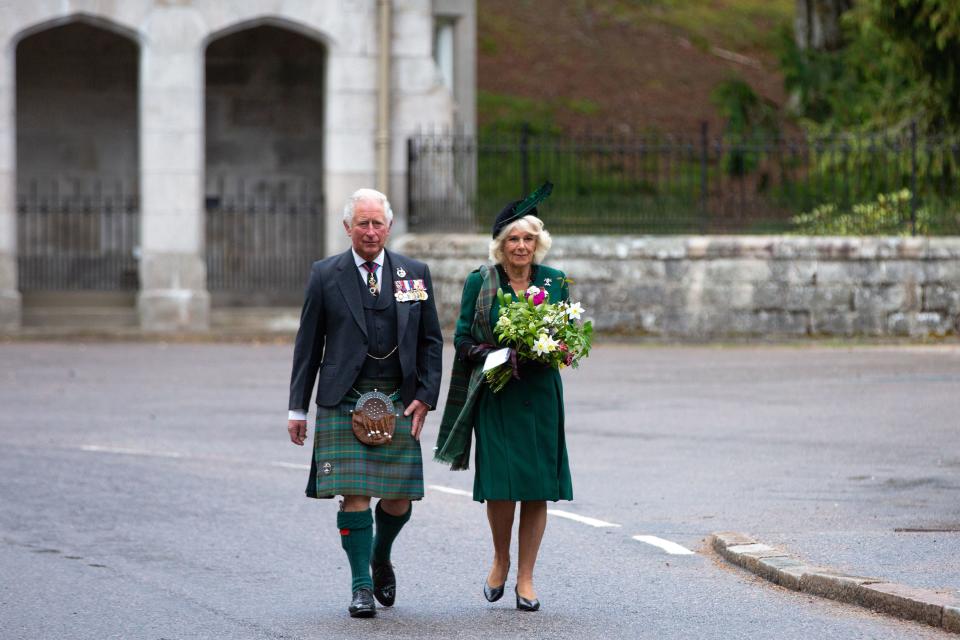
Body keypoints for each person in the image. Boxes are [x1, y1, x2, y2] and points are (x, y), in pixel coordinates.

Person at [287, 187, 443, 618]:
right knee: (354, 494)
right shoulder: (325, 274)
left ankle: (380, 555)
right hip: (343, 397)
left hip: (397, 397)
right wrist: (297, 408)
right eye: (362, 223)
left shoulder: (414, 273)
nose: (370, 232)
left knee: (398, 499)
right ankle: (360, 587)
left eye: (377, 223)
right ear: (347, 228)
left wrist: (425, 398)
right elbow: (307, 345)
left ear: (389, 227)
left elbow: (431, 341)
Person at [434, 182, 573, 612]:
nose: (521, 246)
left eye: (528, 238)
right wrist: (500, 353)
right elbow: (460, 339)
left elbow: (566, 336)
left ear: (539, 243)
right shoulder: (481, 282)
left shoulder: (554, 283)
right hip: (496, 394)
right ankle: (500, 558)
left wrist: (555, 346)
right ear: (500, 245)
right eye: (513, 238)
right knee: (500, 488)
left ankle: (526, 578)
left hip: (540, 395)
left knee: (536, 489)